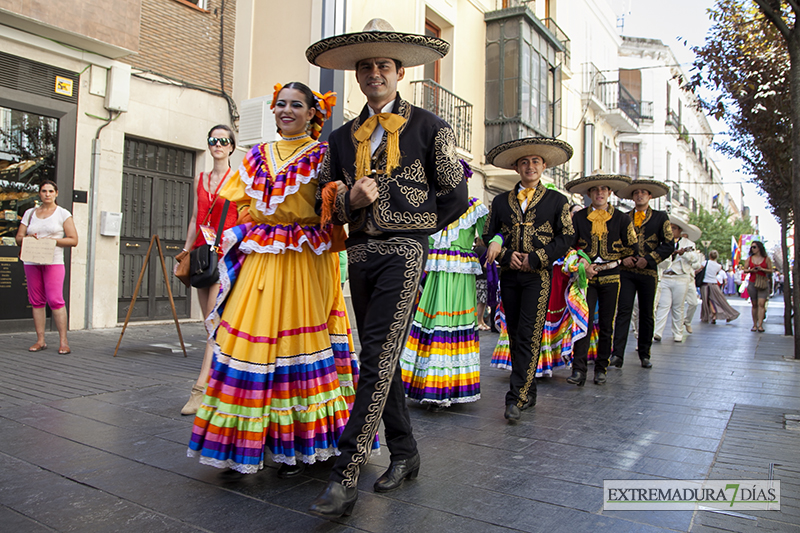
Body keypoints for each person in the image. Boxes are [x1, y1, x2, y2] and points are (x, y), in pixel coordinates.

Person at [306, 19, 468, 518]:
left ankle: (346, 475)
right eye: (367, 66)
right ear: (357, 76)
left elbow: (456, 193)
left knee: (375, 357)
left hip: (404, 252)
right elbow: (322, 202)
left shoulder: (430, 127)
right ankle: (405, 453)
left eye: (384, 65)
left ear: (399, 73)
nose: (375, 73)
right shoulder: (340, 138)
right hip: (359, 255)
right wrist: (348, 200)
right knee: (382, 357)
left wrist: (414, 226)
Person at [187, 82, 357, 480]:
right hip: (262, 259)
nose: (285, 110)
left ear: (313, 113)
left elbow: (335, 206)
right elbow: (243, 206)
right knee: (250, 338)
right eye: (280, 104)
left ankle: (295, 446)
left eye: (296, 105)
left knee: (297, 342)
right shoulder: (256, 154)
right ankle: (246, 442)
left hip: (304, 261)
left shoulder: (324, 155)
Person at [482, 137, 575, 422]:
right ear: (516, 167)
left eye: (535, 161)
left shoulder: (558, 201)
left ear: (544, 166)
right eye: (524, 162)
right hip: (509, 275)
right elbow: (488, 234)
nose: (530, 166)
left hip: (539, 276)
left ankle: (516, 398)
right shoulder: (499, 201)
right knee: (514, 333)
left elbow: (567, 237)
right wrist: (506, 254)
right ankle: (529, 387)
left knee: (529, 333)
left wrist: (535, 259)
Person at [400, 194, 488, 409]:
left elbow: (490, 234)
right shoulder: (429, 203)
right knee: (431, 325)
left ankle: (449, 387)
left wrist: (497, 242)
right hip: (435, 275)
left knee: (451, 327)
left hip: (460, 275)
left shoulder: (474, 206)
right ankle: (429, 385)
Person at [176, 124, 239, 416]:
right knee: (210, 325)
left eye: (223, 140)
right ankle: (223, 384)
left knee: (213, 323)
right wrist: (186, 250)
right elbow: (194, 218)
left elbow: (243, 217)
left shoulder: (238, 178)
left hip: (224, 256)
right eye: (213, 140)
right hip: (202, 256)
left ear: (231, 147)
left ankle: (199, 390)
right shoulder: (200, 178)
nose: (217, 144)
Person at [565, 174, 637, 386]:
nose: (599, 193)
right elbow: (568, 244)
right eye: (595, 190)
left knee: (606, 324)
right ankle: (578, 370)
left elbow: (633, 246)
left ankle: (601, 368)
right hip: (585, 275)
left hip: (611, 275)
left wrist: (615, 258)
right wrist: (582, 263)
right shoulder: (578, 218)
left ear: (609, 192)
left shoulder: (622, 219)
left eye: (603, 189)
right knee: (582, 321)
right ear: (589, 194)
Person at [609, 180, 673, 370]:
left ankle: (644, 353)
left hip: (648, 272)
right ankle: (617, 354)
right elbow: (615, 242)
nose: (640, 196)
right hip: (627, 271)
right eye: (636, 193)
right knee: (624, 311)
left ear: (650, 196)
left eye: (644, 193)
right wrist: (623, 257)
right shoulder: (623, 217)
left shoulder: (661, 217)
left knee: (646, 313)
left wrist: (650, 259)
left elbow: (669, 244)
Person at [15, 180, 78, 354]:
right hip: (32, 260)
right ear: (39, 193)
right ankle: (40, 340)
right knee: (36, 301)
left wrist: (53, 241)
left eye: (51, 191)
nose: (47, 194)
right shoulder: (29, 213)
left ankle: (63, 342)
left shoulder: (62, 214)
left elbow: (73, 240)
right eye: (44, 191)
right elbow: (19, 238)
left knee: (55, 300)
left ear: (56, 193)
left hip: (53, 261)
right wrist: (28, 237)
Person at [653, 214, 702, 342]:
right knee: (663, 305)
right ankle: (657, 332)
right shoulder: (662, 241)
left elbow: (695, 259)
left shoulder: (688, 243)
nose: (671, 230)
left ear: (680, 230)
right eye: (669, 227)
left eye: (673, 228)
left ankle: (678, 332)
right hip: (665, 276)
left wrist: (683, 254)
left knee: (678, 306)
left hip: (681, 277)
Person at [699, 250, 740, 324]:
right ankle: (729, 314)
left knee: (706, 300)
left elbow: (699, 270)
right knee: (720, 300)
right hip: (714, 284)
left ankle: (711, 314)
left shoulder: (705, 263)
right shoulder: (719, 266)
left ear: (710, 255)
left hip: (705, 284)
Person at [743, 240, 772, 332]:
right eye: (751, 247)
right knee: (754, 304)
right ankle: (754, 324)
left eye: (754, 247)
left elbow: (770, 270)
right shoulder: (750, 259)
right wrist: (751, 270)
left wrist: (762, 269)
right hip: (752, 282)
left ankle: (760, 325)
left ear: (759, 248)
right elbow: (745, 269)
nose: (752, 249)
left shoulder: (766, 258)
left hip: (763, 283)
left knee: (761, 304)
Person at [682, 224, 703, 334]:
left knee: (693, 303)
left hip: (689, 277)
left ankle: (687, 321)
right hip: (676, 276)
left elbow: (696, 264)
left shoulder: (691, 247)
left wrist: (688, 258)